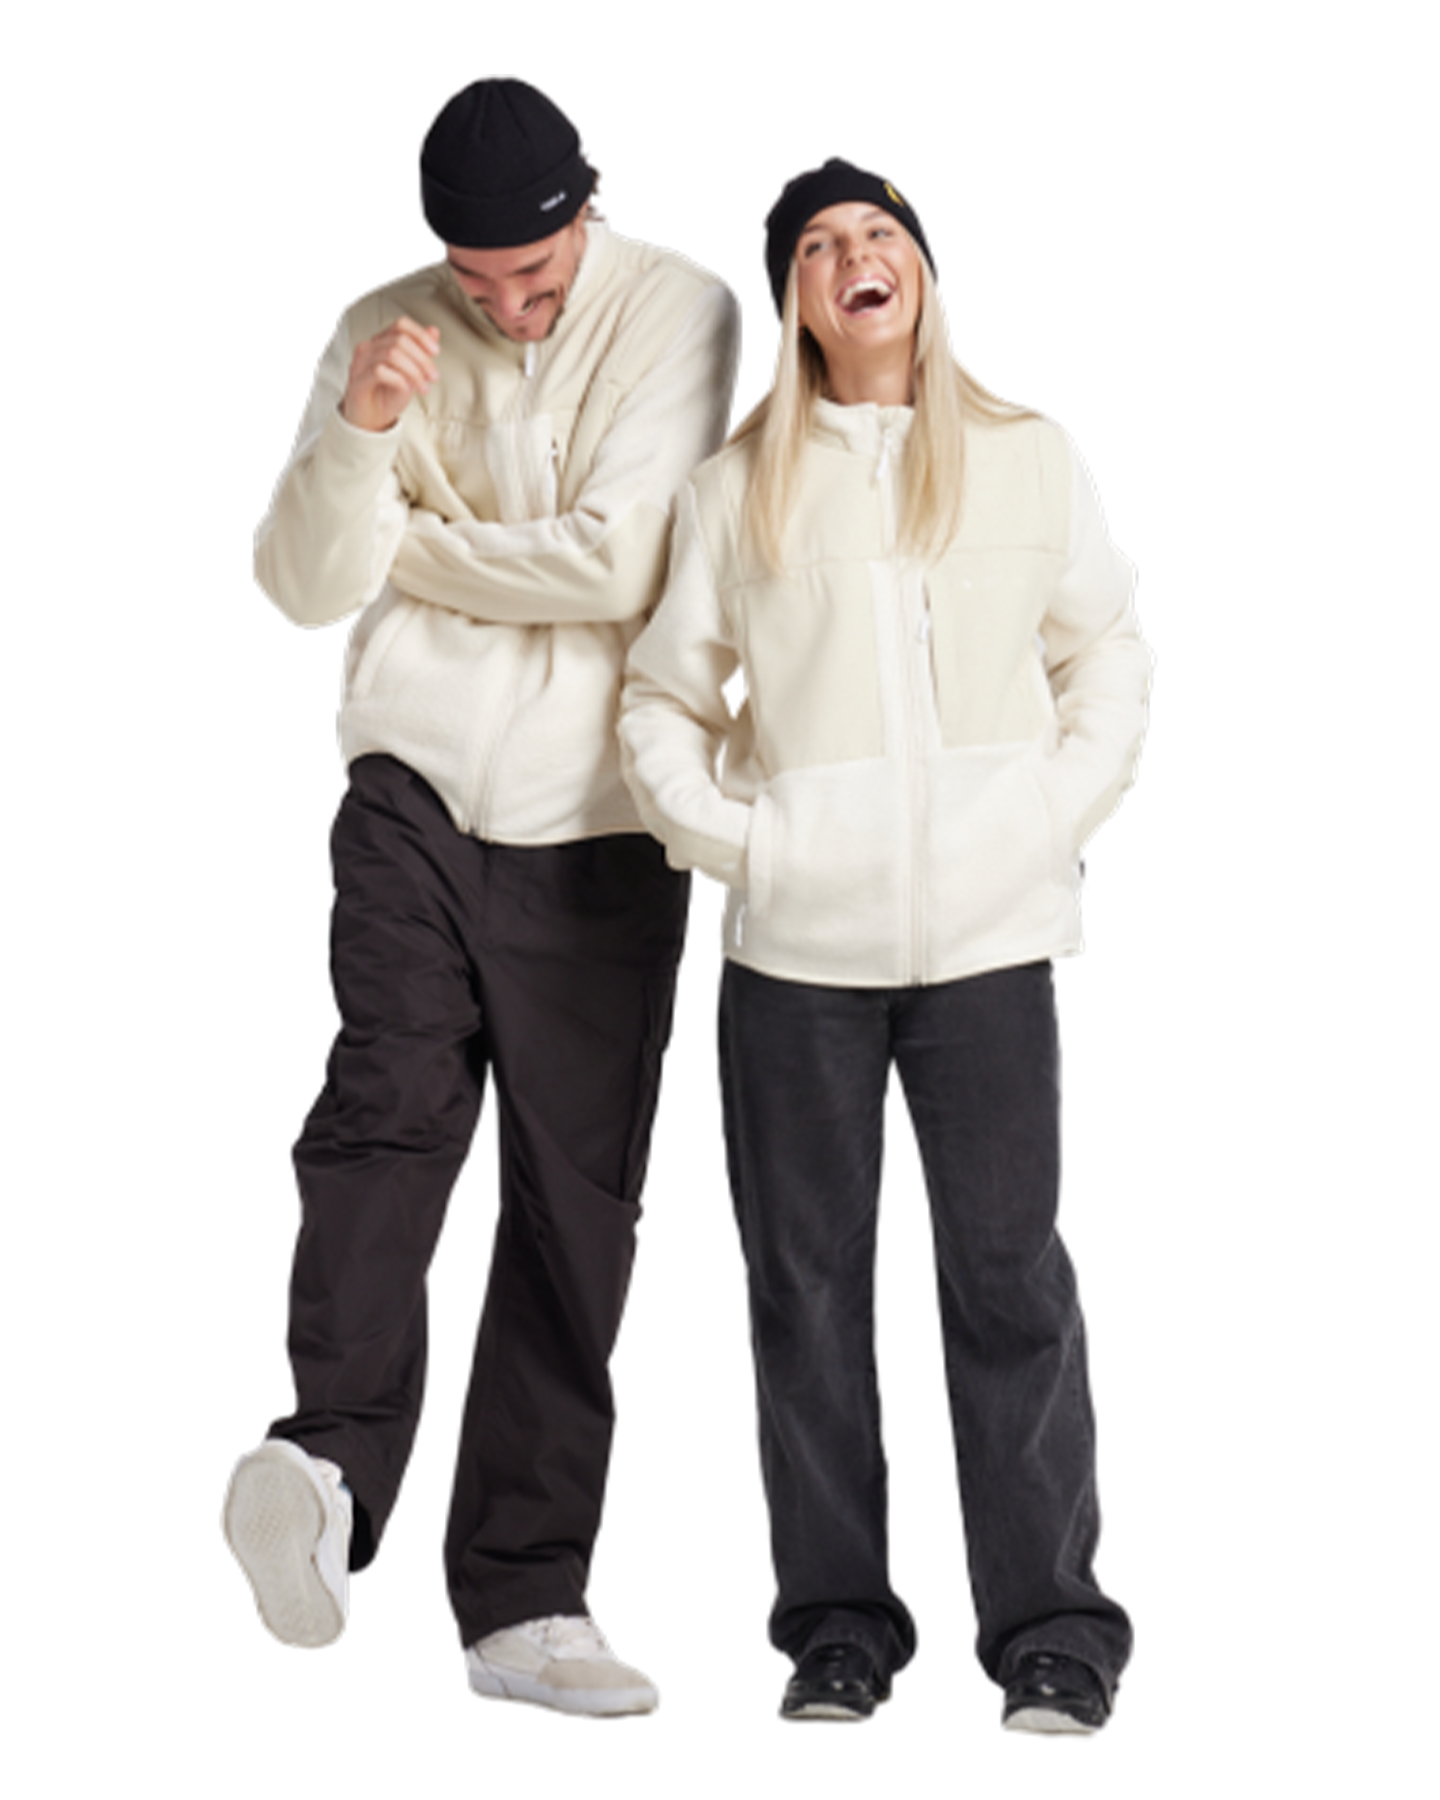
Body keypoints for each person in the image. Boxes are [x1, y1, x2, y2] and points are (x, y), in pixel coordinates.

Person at [221, 78, 740, 1718]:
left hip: (600, 810)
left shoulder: (681, 308)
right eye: (479, 281)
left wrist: (417, 546)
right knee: (387, 1115)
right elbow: (301, 582)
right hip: (412, 782)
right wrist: (367, 434)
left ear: (590, 212)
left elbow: (620, 562)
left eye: (539, 275)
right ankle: (324, 1475)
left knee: (571, 1195)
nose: (510, 308)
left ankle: (527, 1596)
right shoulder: (384, 324)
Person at [619, 161, 1152, 1739]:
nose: (858, 254)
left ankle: (1053, 1636)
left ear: (916, 266)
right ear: (796, 298)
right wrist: (753, 848)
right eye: (822, 245)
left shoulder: (1026, 457)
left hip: (987, 940)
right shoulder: (736, 490)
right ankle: (838, 1639)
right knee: (805, 1295)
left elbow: (1106, 654)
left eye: (880, 233)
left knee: (1009, 1283)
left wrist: (1043, 818)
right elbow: (662, 702)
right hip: (796, 956)